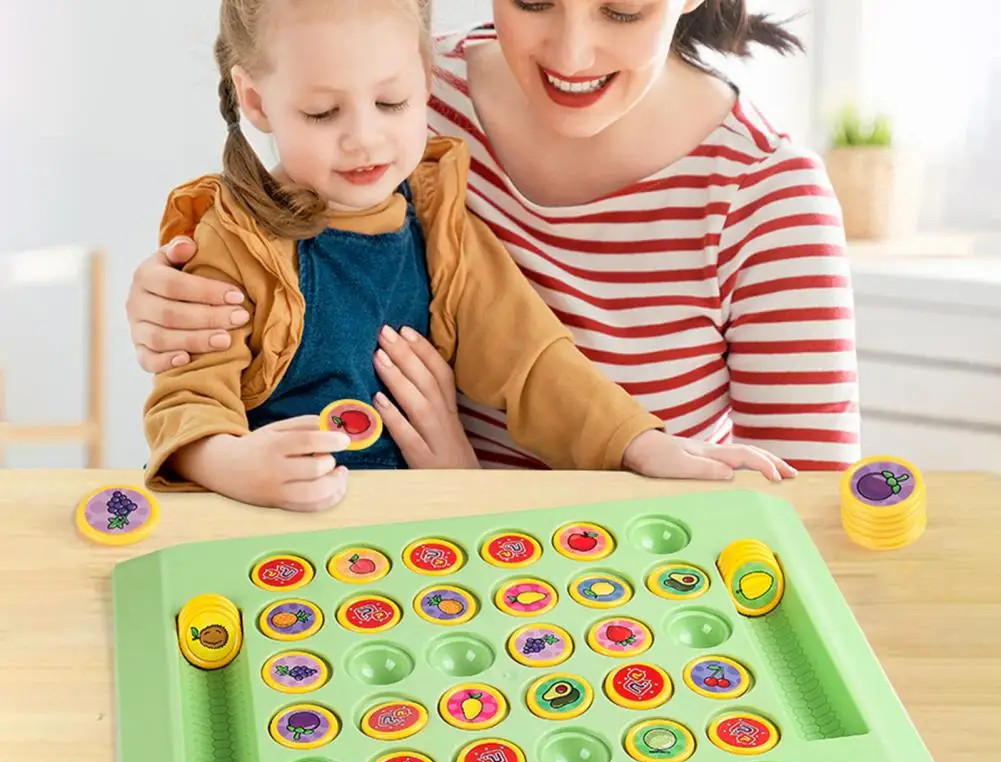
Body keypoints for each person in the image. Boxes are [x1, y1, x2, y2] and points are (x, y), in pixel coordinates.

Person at [127, 0, 860, 476]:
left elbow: (803, 533)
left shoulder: (764, 195)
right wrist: (174, 300)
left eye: (622, 9)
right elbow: (216, 339)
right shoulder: (407, 96)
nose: (572, 54)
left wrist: (467, 490)